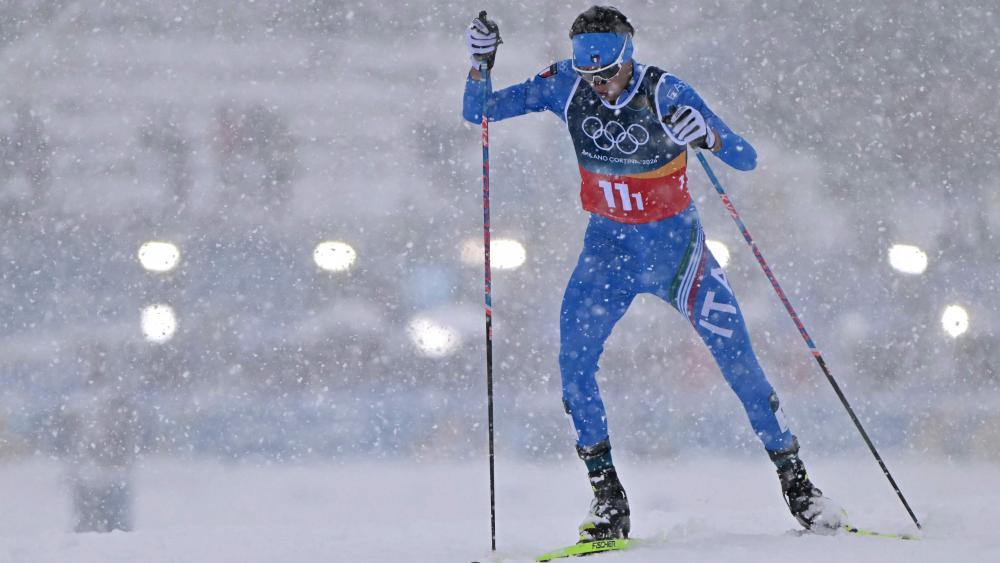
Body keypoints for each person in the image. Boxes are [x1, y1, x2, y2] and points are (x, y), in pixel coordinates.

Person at [462, 6, 843, 541]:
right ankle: (608, 500)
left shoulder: (666, 93)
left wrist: (707, 135)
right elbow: (477, 112)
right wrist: (481, 63)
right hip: (608, 254)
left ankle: (799, 486)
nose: (601, 87)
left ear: (628, 56)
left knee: (739, 362)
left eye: (609, 74)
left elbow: (746, 157)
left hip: (677, 255)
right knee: (573, 362)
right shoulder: (565, 84)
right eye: (590, 76)